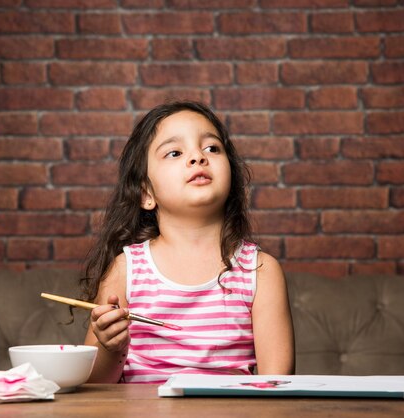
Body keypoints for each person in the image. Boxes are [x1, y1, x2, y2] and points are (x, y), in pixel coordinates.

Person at [80, 101, 295, 383]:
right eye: (174, 152)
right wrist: (111, 348)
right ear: (146, 193)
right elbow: (94, 387)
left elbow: (278, 385)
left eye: (212, 148)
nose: (197, 157)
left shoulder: (261, 271)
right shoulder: (125, 270)